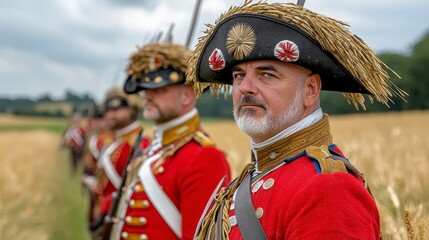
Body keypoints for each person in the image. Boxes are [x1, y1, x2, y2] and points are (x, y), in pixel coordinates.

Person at [186, 1, 406, 239]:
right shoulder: (253, 177)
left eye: (266, 74)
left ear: (310, 89)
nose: (245, 87)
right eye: (239, 75)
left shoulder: (329, 189)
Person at [108, 42, 232, 240]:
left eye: (160, 89)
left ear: (186, 96)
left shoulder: (204, 157)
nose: (147, 95)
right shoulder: (154, 152)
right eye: (146, 89)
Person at [89, 87, 150, 239]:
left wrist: (106, 205)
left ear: (132, 109)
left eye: (116, 108)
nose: (109, 114)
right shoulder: (113, 142)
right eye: (107, 109)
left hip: (123, 220)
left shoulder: (140, 144)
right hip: (104, 218)